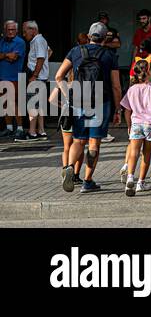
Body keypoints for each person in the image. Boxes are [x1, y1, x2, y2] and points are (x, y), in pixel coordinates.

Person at [55, 22, 122, 193]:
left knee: (78, 140)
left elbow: (59, 76)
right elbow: (116, 85)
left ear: (90, 36)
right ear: (105, 37)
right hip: (101, 100)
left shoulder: (76, 51)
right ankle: (88, 181)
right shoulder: (109, 55)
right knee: (94, 144)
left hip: (78, 98)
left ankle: (69, 167)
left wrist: (67, 95)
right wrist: (118, 109)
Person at [119, 59, 151, 196]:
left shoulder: (131, 89)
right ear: (148, 72)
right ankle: (141, 182)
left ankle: (130, 177)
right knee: (146, 154)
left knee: (134, 152)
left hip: (136, 124)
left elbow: (127, 110)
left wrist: (128, 125)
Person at [22, 21, 49, 141]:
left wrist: (35, 74)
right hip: (41, 77)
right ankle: (41, 130)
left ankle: (32, 132)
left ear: (33, 30)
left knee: (32, 104)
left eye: (25, 31)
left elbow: (41, 57)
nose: (24, 34)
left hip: (37, 77)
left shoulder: (38, 40)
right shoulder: (40, 40)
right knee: (40, 105)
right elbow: (49, 52)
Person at [0, 20, 26, 138]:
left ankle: (20, 128)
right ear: (5, 30)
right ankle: (9, 128)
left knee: (14, 102)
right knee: (4, 103)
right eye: (8, 29)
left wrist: (3, 55)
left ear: (16, 30)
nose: (10, 32)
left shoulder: (20, 42)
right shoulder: (2, 41)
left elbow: (14, 58)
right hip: (2, 77)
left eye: (13, 29)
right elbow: (8, 56)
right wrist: (7, 55)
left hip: (14, 77)